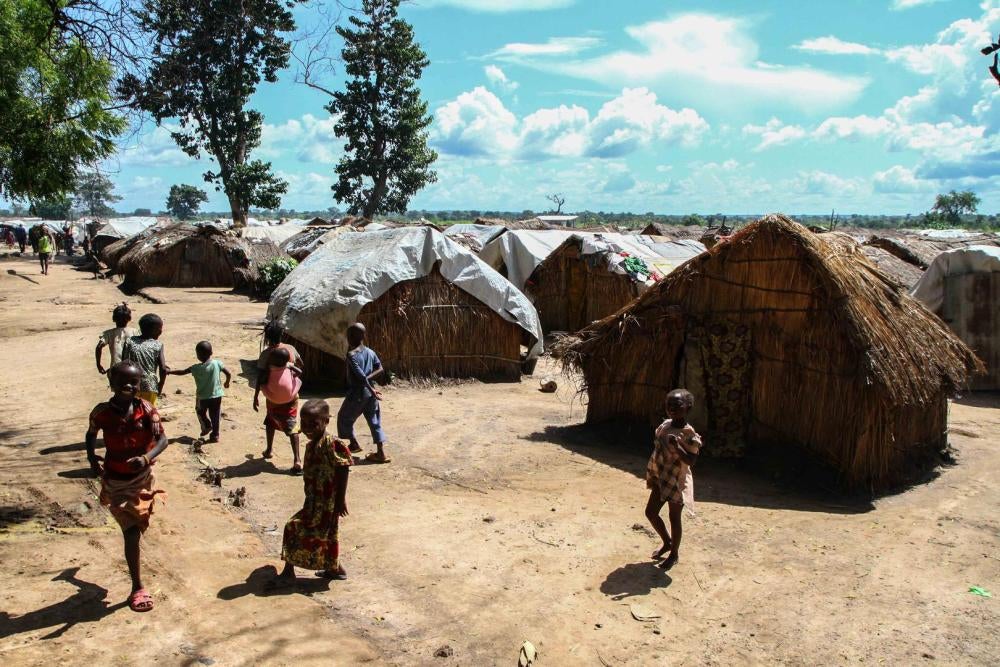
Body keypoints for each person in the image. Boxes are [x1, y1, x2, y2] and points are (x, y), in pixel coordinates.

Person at [86, 361, 169, 612]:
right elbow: (90, 434)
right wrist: (92, 457)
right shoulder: (101, 413)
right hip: (116, 482)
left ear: (140, 385)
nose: (128, 387)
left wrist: (146, 457)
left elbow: (163, 440)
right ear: (111, 384)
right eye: (122, 383)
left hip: (143, 480)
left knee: (138, 525)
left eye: (134, 383)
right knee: (132, 532)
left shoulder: (148, 411)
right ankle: (137, 587)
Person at [276, 399, 352, 583]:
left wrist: (340, 499)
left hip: (326, 502)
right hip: (314, 499)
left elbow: (343, 469)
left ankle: (288, 572)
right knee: (326, 536)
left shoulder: (332, 444)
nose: (308, 428)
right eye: (304, 423)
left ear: (326, 421)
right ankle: (335, 569)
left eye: (314, 424)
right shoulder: (312, 445)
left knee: (293, 527)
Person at [644, 389, 703, 571]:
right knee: (651, 512)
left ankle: (674, 554)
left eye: (677, 406)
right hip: (662, 477)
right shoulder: (665, 425)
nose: (672, 409)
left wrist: (678, 447)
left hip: (677, 480)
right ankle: (667, 542)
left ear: (688, 408)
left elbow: (692, 460)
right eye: (669, 406)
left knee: (674, 517)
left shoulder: (688, 433)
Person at [337, 323, 390, 463]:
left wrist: (369, 384)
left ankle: (353, 443)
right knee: (374, 421)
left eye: (349, 335)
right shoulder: (370, 352)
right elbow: (380, 369)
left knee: (344, 418)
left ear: (354, 337)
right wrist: (371, 384)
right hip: (370, 393)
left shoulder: (351, 355)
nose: (348, 338)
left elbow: (360, 377)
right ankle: (381, 453)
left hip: (358, 393)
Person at [168, 341, 231, 443]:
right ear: (211, 352)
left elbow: (182, 372)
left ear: (198, 355)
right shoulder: (217, 363)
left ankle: (206, 425)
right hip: (217, 395)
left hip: (202, 397)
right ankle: (215, 435)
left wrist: (169, 372)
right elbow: (228, 373)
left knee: (200, 411)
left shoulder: (196, 368)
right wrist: (227, 383)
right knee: (215, 415)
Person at [253, 346, 303, 474]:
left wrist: (256, 397)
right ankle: (292, 457)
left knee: (274, 421)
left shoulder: (268, 369)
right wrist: (291, 373)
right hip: (291, 398)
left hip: (273, 400)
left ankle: (274, 451)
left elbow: (260, 381)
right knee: (287, 424)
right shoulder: (289, 365)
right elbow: (300, 371)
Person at [122, 314, 168, 407]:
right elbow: (163, 368)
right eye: (160, 328)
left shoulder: (129, 341)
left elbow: (124, 363)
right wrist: (160, 385)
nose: (161, 331)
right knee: (148, 413)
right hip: (150, 386)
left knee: (132, 412)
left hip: (132, 385)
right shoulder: (158, 345)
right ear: (154, 330)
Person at [96, 303, 136, 375]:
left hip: (116, 369)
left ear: (114, 319)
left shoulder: (108, 333)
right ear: (129, 319)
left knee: (116, 385)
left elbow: (99, 347)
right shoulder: (135, 332)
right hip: (132, 368)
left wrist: (98, 365)